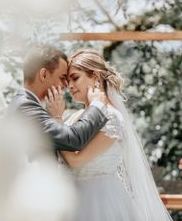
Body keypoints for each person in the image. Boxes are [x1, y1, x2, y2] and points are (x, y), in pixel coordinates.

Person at [48, 49, 172, 221]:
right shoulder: (75, 117)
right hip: (71, 200)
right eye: (67, 80)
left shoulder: (111, 117)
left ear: (96, 77)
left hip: (102, 203)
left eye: (75, 78)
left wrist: (56, 120)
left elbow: (75, 161)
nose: (69, 86)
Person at [9, 45, 109, 154]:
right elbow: (74, 139)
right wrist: (97, 106)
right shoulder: (25, 107)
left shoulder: (25, 103)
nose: (66, 85)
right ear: (44, 75)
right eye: (62, 78)